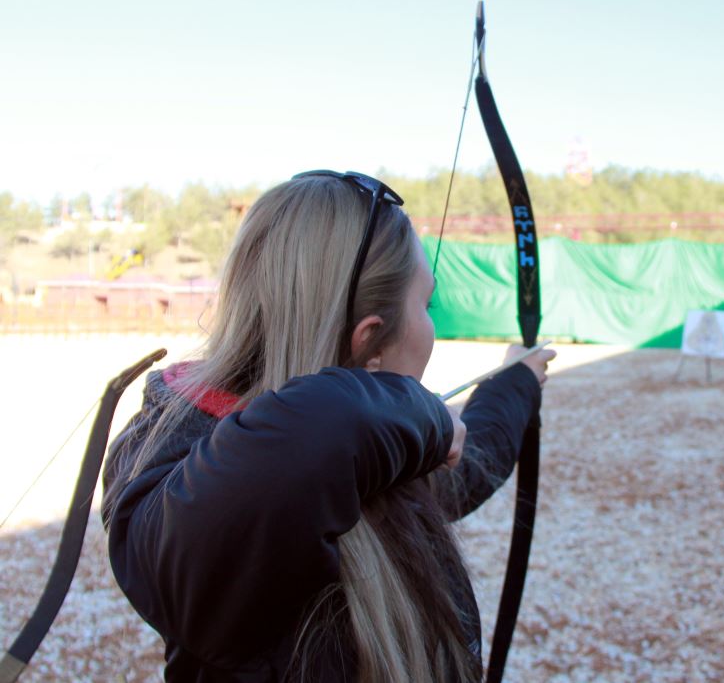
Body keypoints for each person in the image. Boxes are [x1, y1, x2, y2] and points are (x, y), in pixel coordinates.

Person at [101, 170, 555, 683]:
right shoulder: (187, 486)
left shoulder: (369, 449)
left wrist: (516, 381)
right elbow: (308, 440)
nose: (429, 324)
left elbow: (461, 466)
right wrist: (420, 415)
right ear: (370, 341)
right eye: (425, 305)